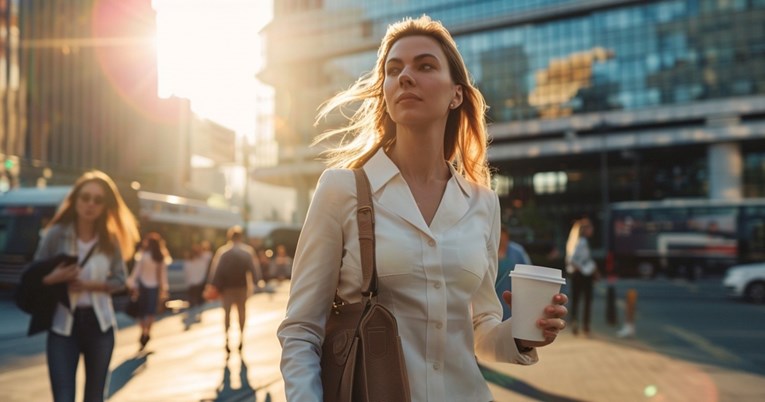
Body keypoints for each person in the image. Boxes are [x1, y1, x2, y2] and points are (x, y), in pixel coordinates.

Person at [277, 15, 568, 402]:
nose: (405, 77)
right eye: (393, 70)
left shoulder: (482, 202)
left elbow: (481, 330)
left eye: (425, 65)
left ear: (456, 95)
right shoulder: (341, 189)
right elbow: (301, 330)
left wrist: (523, 333)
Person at [33, 170, 139, 402]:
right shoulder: (56, 234)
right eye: (85, 197)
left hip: (100, 327)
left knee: (94, 397)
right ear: (76, 199)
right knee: (63, 397)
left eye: (98, 200)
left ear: (105, 206)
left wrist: (92, 285)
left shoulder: (109, 239)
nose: (90, 204)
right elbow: (34, 275)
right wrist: (55, 278)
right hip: (62, 327)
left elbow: (121, 280)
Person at [209, 225, 260, 355]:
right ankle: (241, 337)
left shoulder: (223, 252)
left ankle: (227, 338)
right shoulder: (247, 252)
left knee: (227, 314)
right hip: (242, 288)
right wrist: (256, 282)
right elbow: (254, 270)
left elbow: (216, 271)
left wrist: (214, 286)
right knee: (241, 313)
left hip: (227, 289)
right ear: (240, 237)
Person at [127, 232, 170, 350]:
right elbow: (163, 276)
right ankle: (147, 332)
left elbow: (136, 273)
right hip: (154, 287)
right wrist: (164, 290)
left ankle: (143, 331)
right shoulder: (160, 257)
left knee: (141, 312)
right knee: (151, 312)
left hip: (142, 287)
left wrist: (131, 284)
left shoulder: (143, 256)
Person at [565, 217, 597, 336]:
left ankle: (575, 324)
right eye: (590, 227)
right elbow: (573, 259)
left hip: (576, 274)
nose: (592, 229)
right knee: (586, 300)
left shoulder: (574, 241)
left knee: (576, 300)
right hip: (582, 275)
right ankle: (585, 326)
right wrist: (584, 269)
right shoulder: (582, 242)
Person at [495, 226, 532, 320]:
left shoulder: (517, 252)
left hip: (514, 295)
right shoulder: (489, 252)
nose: (500, 239)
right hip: (495, 295)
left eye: (502, 236)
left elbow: (528, 272)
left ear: (506, 237)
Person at [183, 242, 209, 323]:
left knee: (192, 301)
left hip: (191, 284)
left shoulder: (188, 262)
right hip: (200, 283)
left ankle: (192, 316)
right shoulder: (202, 260)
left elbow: (186, 273)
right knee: (199, 301)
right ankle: (198, 315)